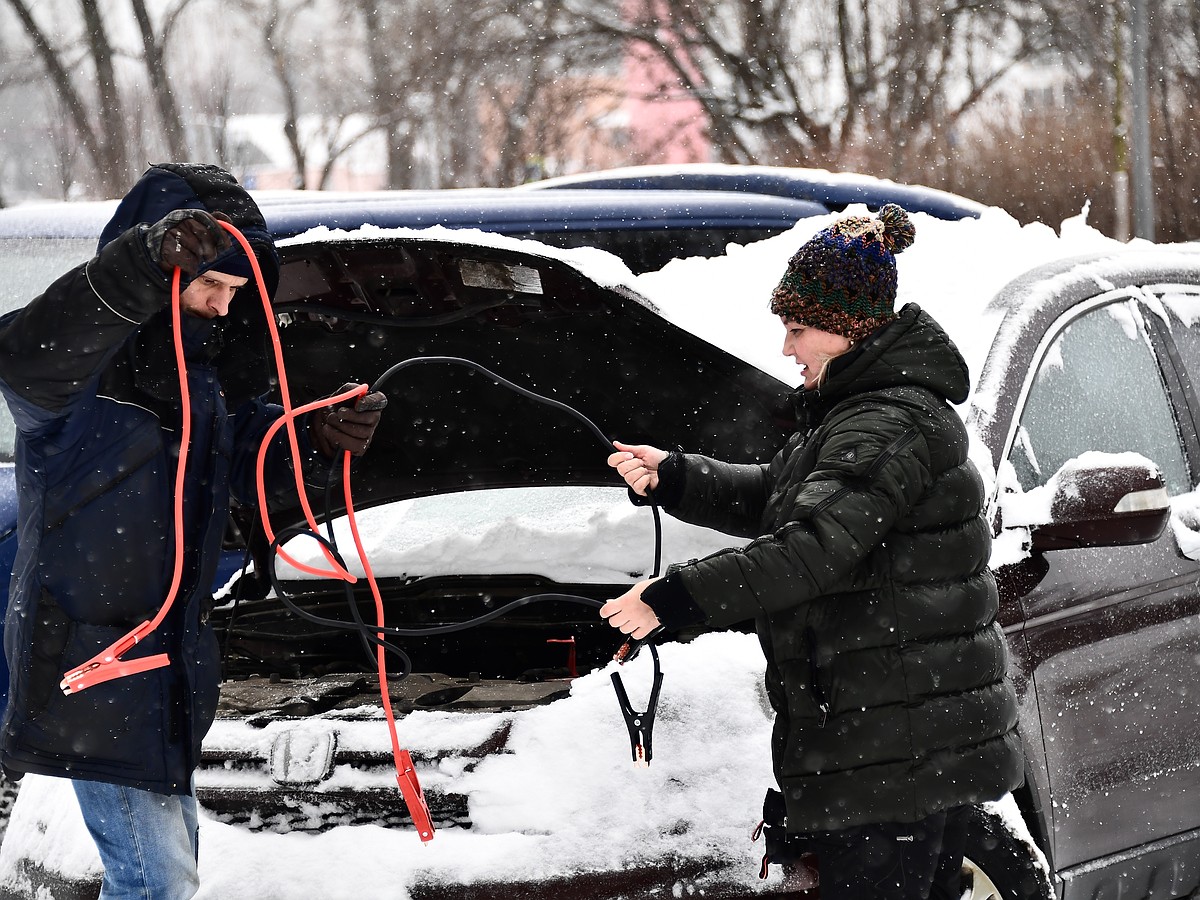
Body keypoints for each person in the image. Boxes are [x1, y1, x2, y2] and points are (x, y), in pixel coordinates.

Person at [601, 204, 1023, 900]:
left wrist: (673, 600)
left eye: (797, 329)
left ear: (849, 329)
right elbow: (785, 496)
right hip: (904, 743)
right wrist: (675, 476)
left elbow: (809, 551)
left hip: (892, 756)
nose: (787, 349)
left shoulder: (884, 421)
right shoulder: (868, 410)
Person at [0, 163, 385, 899]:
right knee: (157, 885)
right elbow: (25, 354)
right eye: (209, 286)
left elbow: (245, 465)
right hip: (97, 665)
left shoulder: (202, 383)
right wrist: (140, 264)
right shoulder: (81, 379)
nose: (219, 307)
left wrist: (317, 437)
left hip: (163, 667)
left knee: (165, 874)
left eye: (235, 295)